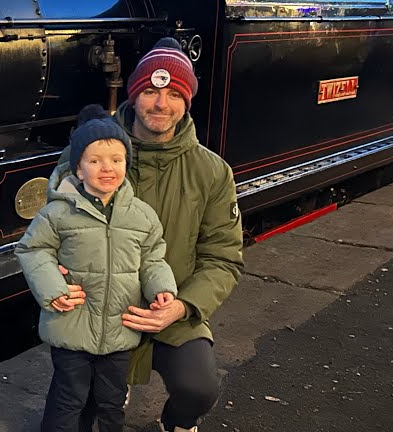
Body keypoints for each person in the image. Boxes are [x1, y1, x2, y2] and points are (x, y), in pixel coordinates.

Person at [49, 38, 244, 432]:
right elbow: (51, 233)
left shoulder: (213, 172)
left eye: (174, 93)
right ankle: (111, 385)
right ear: (134, 94)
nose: (160, 104)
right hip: (99, 311)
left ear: (187, 102)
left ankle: (177, 421)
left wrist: (182, 306)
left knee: (199, 387)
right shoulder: (86, 154)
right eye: (151, 91)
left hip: (169, 308)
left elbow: (223, 258)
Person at [16, 105, 179, 432]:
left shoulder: (142, 215)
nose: (108, 169)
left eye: (117, 160)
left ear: (126, 165)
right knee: (69, 398)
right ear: (78, 168)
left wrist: (161, 288)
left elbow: (151, 257)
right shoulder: (57, 214)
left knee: (111, 400)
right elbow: (33, 249)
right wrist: (52, 289)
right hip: (71, 324)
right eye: (95, 161)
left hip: (119, 329)